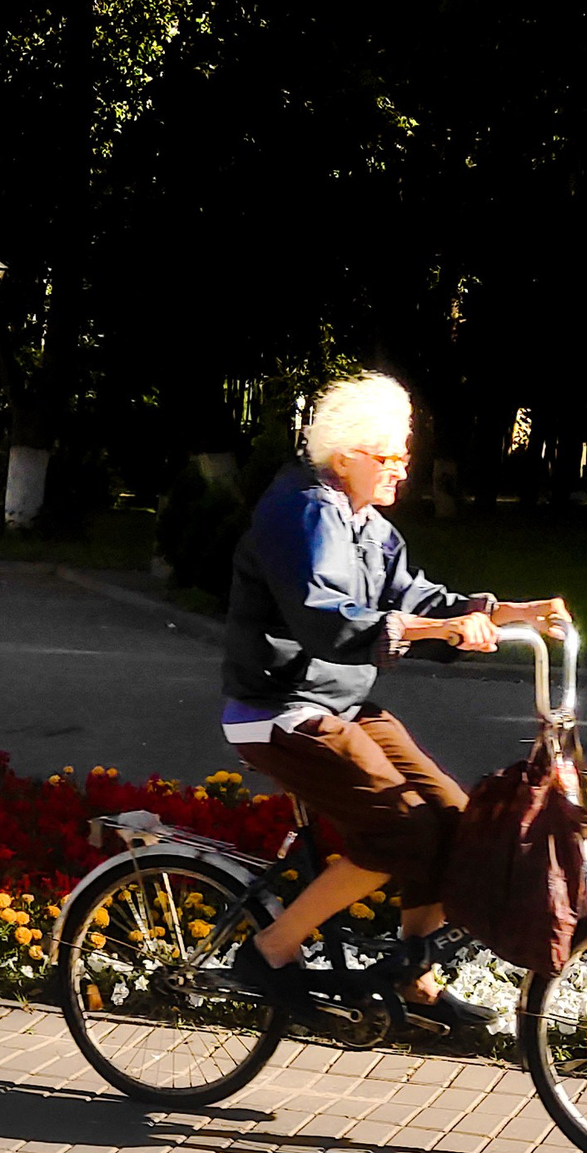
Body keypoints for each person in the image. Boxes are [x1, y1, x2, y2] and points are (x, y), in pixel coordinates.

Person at [219, 374, 565, 1039]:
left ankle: (412, 975)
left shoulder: (366, 524)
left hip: (338, 703)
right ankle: (269, 952)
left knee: (451, 818)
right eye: (391, 456)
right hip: (281, 708)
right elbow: (327, 620)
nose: (404, 470)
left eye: (405, 455)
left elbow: (417, 598)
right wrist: (434, 631)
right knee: (402, 829)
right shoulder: (303, 510)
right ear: (346, 453)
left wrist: (506, 612)